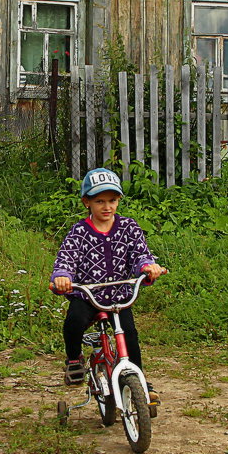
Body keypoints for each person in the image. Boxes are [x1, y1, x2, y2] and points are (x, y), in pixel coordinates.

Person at [49, 167, 166, 406]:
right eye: (99, 201)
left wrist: (148, 267)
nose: (107, 207)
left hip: (120, 296)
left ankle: (140, 381)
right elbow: (66, 258)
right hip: (88, 295)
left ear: (119, 201)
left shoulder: (128, 227)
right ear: (87, 202)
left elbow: (140, 254)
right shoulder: (79, 232)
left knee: (129, 335)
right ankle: (73, 360)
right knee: (74, 322)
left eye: (112, 200)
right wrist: (62, 276)